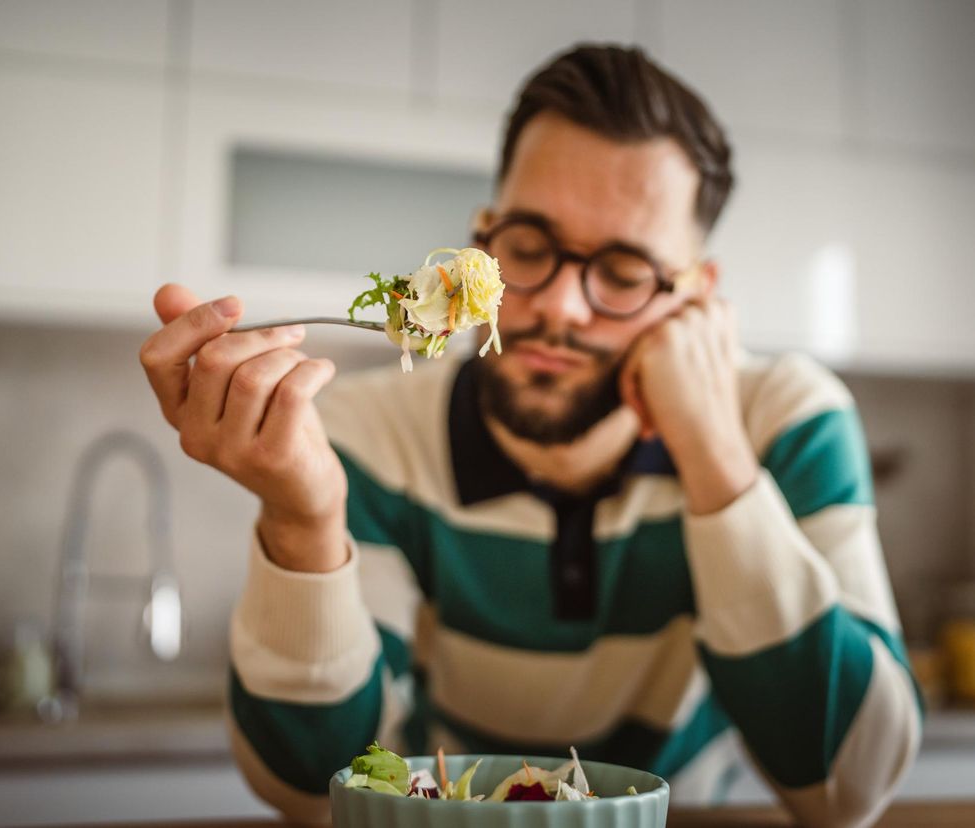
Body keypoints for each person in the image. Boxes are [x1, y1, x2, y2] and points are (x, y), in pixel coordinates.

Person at [140, 45, 921, 827]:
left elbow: (849, 790)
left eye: (623, 270)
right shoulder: (364, 436)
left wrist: (714, 452)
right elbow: (315, 792)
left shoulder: (787, 421)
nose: (561, 308)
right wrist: (302, 521)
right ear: (483, 240)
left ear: (696, 295)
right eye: (529, 246)